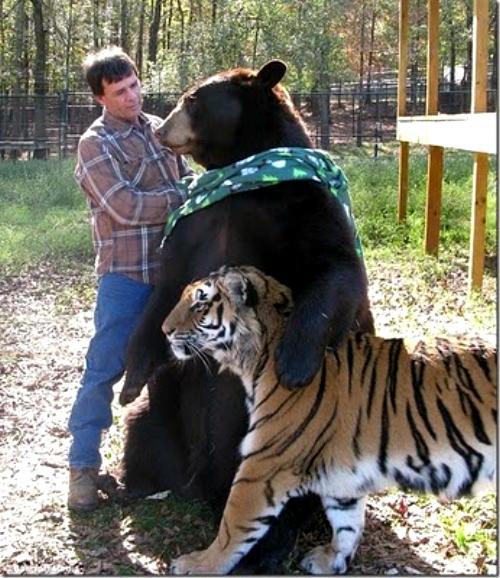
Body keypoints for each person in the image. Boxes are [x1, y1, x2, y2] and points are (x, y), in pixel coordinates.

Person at [67, 46, 192, 511]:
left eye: (134, 85)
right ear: (100, 97)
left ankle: (163, 465)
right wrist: (181, 194)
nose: (132, 97)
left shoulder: (158, 129)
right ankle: (82, 469)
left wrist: (190, 188)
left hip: (172, 275)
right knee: (104, 369)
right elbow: (125, 207)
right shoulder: (94, 145)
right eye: (119, 92)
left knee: (171, 367)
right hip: (126, 276)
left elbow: (190, 176)